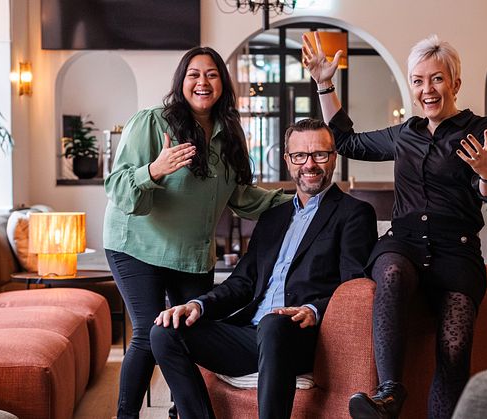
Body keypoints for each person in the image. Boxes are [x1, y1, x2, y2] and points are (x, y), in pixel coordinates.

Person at [302, 33, 487, 419]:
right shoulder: (406, 134)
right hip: (404, 245)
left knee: (453, 350)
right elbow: (346, 141)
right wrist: (324, 85)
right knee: (393, 271)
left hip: (457, 252)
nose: (426, 89)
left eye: (436, 79)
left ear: (455, 83)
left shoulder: (479, 129)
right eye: (418, 80)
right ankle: (388, 394)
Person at [103, 46, 289, 419]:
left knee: (193, 331)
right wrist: (153, 170)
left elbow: (240, 197)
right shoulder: (153, 122)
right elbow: (117, 186)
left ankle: (181, 412)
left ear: (222, 82)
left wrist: (293, 200)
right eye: (194, 75)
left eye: (211, 74)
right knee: (147, 331)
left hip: (190, 253)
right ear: (181, 82)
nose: (202, 82)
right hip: (137, 244)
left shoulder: (230, 134)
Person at [149, 118, 378, 419]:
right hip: (251, 335)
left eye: (319, 154)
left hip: (301, 337)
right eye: (299, 156)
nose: (310, 164)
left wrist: (312, 309)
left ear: (334, 156)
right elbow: (242, 282)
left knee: (273, 323)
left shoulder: (354, 214)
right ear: (287, 160)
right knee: (164, 332)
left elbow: (354, 285)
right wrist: (196, 305)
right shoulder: (273, 217)